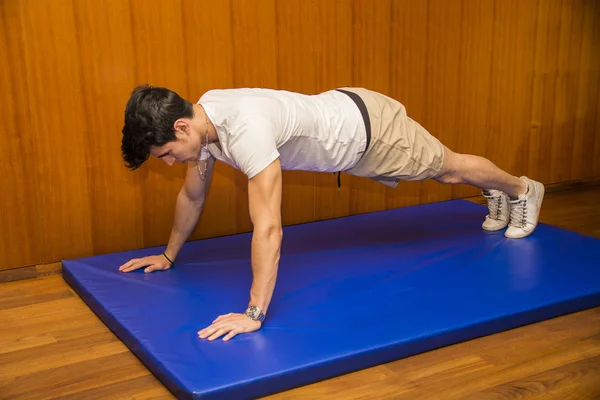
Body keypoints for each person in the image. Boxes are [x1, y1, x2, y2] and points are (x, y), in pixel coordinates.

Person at [118, 85, 545, 342]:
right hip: (347, 114)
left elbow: (268, 229)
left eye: (168, 154)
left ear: (181, 128)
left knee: (448, 170)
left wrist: (252, 315)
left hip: (374, 134)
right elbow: (192, 197)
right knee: (447, 171)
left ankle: (522, 188)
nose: (172, 163)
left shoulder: (244, 130)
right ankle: (497, 190)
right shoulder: (203, 114)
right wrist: (169, 255)